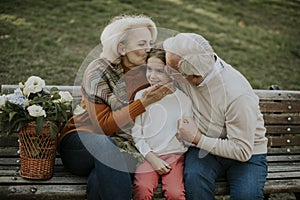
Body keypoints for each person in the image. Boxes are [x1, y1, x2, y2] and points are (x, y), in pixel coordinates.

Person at [58, 15, 172, 200]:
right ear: (122, 47)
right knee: (107, 146)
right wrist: (142, 103)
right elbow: (103, 126)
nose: (148, 49)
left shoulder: (150, 72)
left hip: (122, 150)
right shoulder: (99, 71)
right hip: (81, 144)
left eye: (150, 42)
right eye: (142, 43)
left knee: (99, 179)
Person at [163, 33, 268, 200]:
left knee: (246, 197)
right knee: (194, 181)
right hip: (206, 151)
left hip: (246, 154)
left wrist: (197, 138)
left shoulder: (236, 94)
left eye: (171, 70)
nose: (166, 72)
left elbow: (242, 150)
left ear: (194, 77)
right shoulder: (189, 69)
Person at [131, 48, 192, 200]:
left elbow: (188, 134)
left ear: (171, 73)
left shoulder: (183, 100)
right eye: (149, 70)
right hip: (148, 155)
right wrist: (151, 157)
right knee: (142, 189)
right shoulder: (141, 97)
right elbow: (137, 133)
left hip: (175, 157)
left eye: (159, 71)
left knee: (175, 194)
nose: (152, 76)